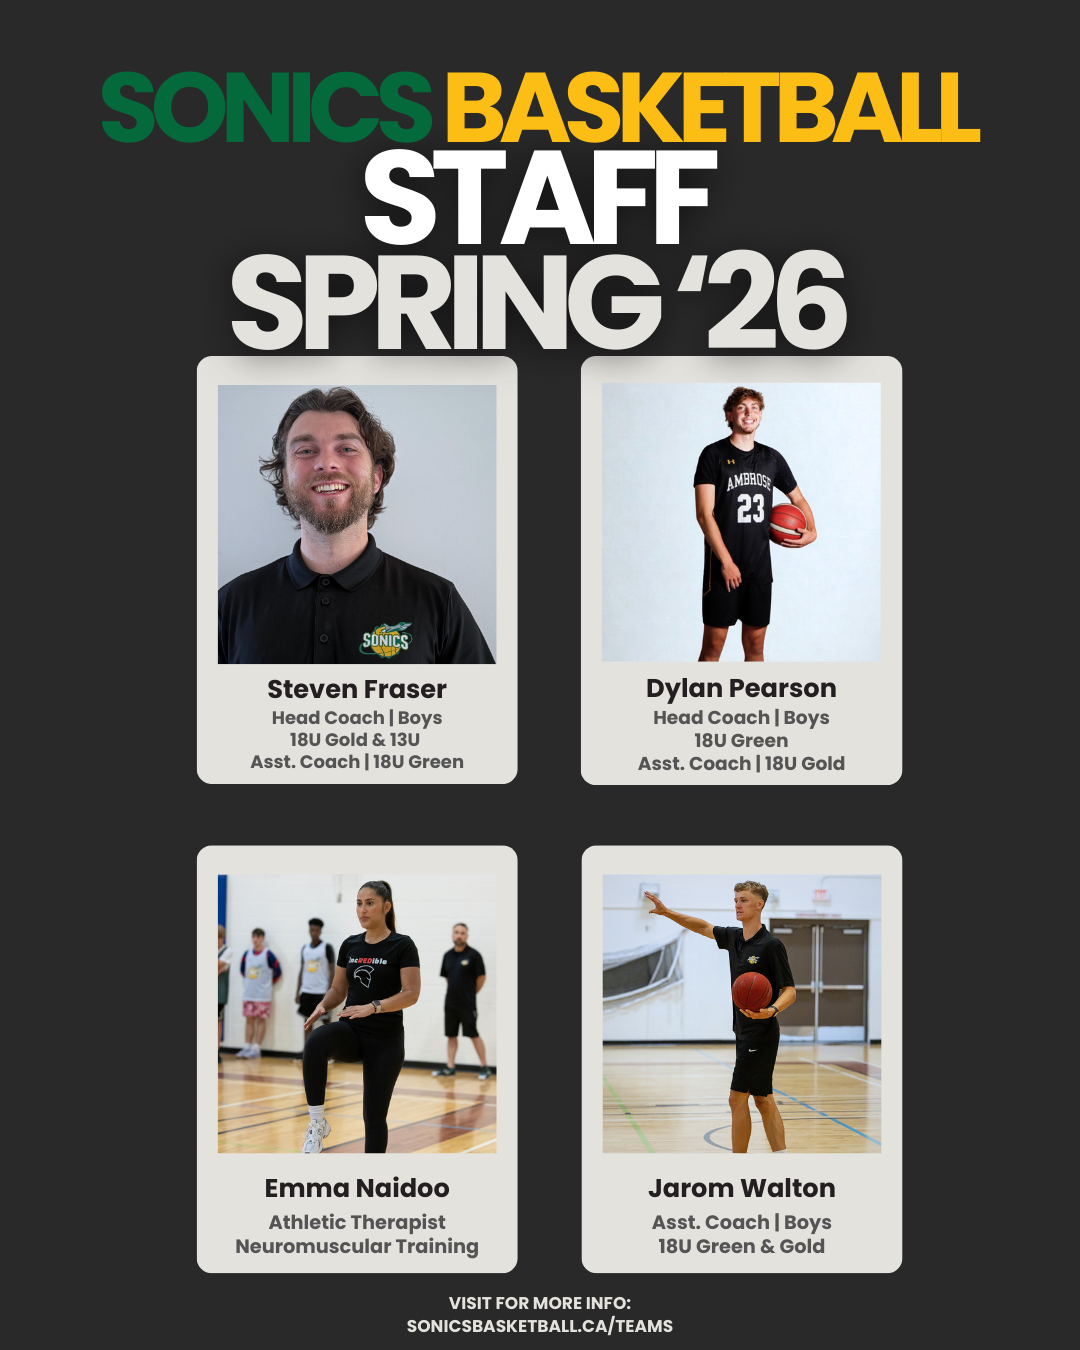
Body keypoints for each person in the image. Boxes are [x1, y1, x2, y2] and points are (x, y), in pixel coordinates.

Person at [218, 387, 494, 664]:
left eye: (347, 448)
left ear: (376, 478)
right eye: (306, 450)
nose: (326, 463)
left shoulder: (437, 602)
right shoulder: (231, 604)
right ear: (284, 477)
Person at [645, 882, 796, 1153]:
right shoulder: (735, 938)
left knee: (737, 1099)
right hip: (743, 1030)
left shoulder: (771, 945)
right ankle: (781, 1158)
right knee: (762, 1098)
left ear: (759, 904)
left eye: (744, 900)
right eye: (736, 899)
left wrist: (771, 1010)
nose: (737, 904)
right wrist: (667, 912)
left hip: (761, 1032)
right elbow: (702, 926)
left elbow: (790, 991)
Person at [693, 387, 817, 662]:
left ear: (760, 415)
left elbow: (799, 499)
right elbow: (704, 514)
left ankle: (754, 703)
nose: (749, 412)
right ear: (729, 414)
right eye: (741, 407)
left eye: (755, 407)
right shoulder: (712, 454)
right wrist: (726, 562)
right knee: (713, 649)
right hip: (723, 567)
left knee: (756, 648)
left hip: (759, 568)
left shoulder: (771, 458)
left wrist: (813, 531)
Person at [300, 881, 421, 1154]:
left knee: (374, 1117)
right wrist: (323, 1005)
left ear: (386, 907)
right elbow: (338, 988)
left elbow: (411, 993)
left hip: (385, 1040)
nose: (362, 909)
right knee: (317, 1040)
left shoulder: (402, 945)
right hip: (352, 1032)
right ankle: (317, 1123)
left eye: (369, 903)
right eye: (358, 903)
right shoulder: (350, 945)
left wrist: (374, 1006)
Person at [432, 923, 491, 1080]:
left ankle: (484, 1067)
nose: (459, 935)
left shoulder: (474, 955)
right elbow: (447, 977)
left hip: (467, 1004)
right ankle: (450, 1067)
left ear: (467, 935)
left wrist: (470, 994)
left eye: (462, 933)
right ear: (452, 935)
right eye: (456, 932)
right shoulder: (447, 955)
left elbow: (481, 978)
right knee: (451, 1035)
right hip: (450, 1003)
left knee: (473, 1034)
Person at [237, 928, 282, 1059]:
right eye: (253, 937)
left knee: (261, 1020)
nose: (255, 939)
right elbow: (242, 971)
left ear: (262, 938)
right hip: (248, 993)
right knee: (249, 1020)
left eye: (257, 937)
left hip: (263, 995)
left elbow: (278, 971)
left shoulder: (268, 954)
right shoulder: (247, 954)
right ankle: (247, 1046)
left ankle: (256, 1048)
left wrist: (268, 982)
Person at [296, 918, 335, 1044]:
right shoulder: (305, 948)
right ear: (309, 930)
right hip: (307, 991)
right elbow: (302, 971)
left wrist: (329, 991)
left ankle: (330, 1052)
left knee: (325, 1023)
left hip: (321, 991)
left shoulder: (327, 948)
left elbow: (332, 971)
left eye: (317, 930)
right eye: (312, 930)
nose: (314, 933)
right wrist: (298, 991)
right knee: (307, 1023)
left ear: (320, 931)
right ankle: (306, 1051)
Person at [217, 925, 233, 1064]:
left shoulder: (227, 951)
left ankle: (216, 1051)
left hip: (219, 993)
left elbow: (219, 965)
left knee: (217, 1022)